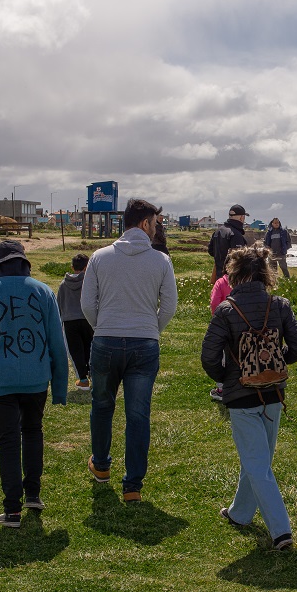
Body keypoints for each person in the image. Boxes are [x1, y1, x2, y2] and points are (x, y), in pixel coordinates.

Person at [201, 244, 297, 551]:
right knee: (259, 459)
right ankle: (240, 514)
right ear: (264, 272)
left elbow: (209, 357)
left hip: (242, 398)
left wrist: (227, 378)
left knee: (258, 463)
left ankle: (281, 532)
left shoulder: (226, 310)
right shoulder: (280, 305)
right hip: (273, 393)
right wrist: (276, 362)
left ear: (235, 274)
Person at [0, 241, 69, 528]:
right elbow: (58, 342)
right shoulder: (43, 291)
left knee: (7, 441)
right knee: (33, 431)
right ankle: (33, 494)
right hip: (35, 379)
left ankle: (12, 510)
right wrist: (59, 388)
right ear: (23, 262)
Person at [81, 198, 178, 502]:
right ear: (144, 223)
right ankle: (132, 485)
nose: (156, 229)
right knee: (138, 415)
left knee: (101, 405)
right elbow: (170, 306)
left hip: (106, 339)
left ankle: (101, 466)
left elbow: (87, 304)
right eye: (155, 223)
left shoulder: (99, 256)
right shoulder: (161, 260)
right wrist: (152, 329)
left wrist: (103, 327)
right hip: (144, 343)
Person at [57, 252, 95, 391]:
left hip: (69, 322)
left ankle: (83, 380)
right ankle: (94, 377)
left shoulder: (63, 284)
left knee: (75, 351)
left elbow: (59, 304)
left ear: (72, 267)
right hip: (88, 319)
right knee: (91, 348)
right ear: (87, 267)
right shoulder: (89, 282)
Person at [207, 204, 249, 284]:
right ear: (242, 217)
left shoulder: (217, 231)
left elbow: (211, 251)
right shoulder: (236, 234)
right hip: (233, 278)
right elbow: (240, 258)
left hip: (219, 277)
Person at [207, 272, 232, 402]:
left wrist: (216, 318)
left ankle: (222, 389)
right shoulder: (246, 279)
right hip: (244, 324)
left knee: (222, 356)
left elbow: (214, 303)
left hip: (223, 324)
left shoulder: (221, 282)